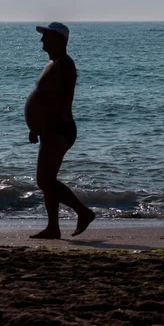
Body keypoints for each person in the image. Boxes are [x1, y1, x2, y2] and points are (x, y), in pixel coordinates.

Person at [24, 22, 95, 239]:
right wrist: (35, 126)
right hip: (50, 128)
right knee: (48, 180)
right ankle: (53, 227)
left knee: (45, 180)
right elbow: (45, 98)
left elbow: (61, 101)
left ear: (59, 39)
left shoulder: (64, 64)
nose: (42, 40)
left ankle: (83, 212)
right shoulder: (52, 63)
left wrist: (48, 126)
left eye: (46, 36)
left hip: (59, 127)